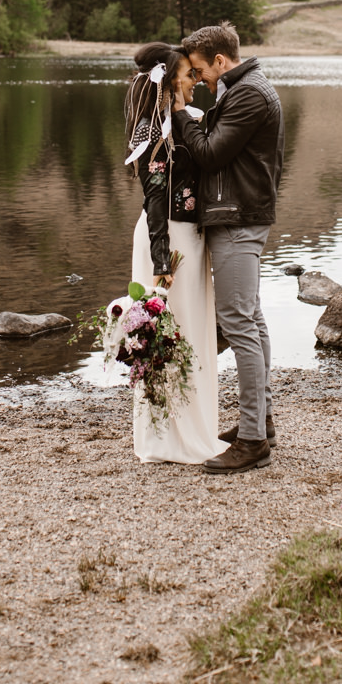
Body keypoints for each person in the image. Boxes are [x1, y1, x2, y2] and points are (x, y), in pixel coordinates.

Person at [172, 22, 284, 475]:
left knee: (238, 322)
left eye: (200, 70)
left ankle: (254, 441)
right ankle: (262, 422)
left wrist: (181, 113)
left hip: (238, 219)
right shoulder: (241, 89)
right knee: (251, 319)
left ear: (221, 60)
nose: (198, 79)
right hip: (240, 214)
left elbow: (212, 153)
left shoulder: (249, 93)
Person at [124, 42, 228, 465]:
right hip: (166, 240)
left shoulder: (186, 120)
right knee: (169, 336)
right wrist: (162, 260)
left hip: (193, 240)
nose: (194, 80)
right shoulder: (153, 130)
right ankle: (166, 438)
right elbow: (154, 199)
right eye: (187, 73)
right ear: (168, 81)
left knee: (194, 336)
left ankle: (196, 427)